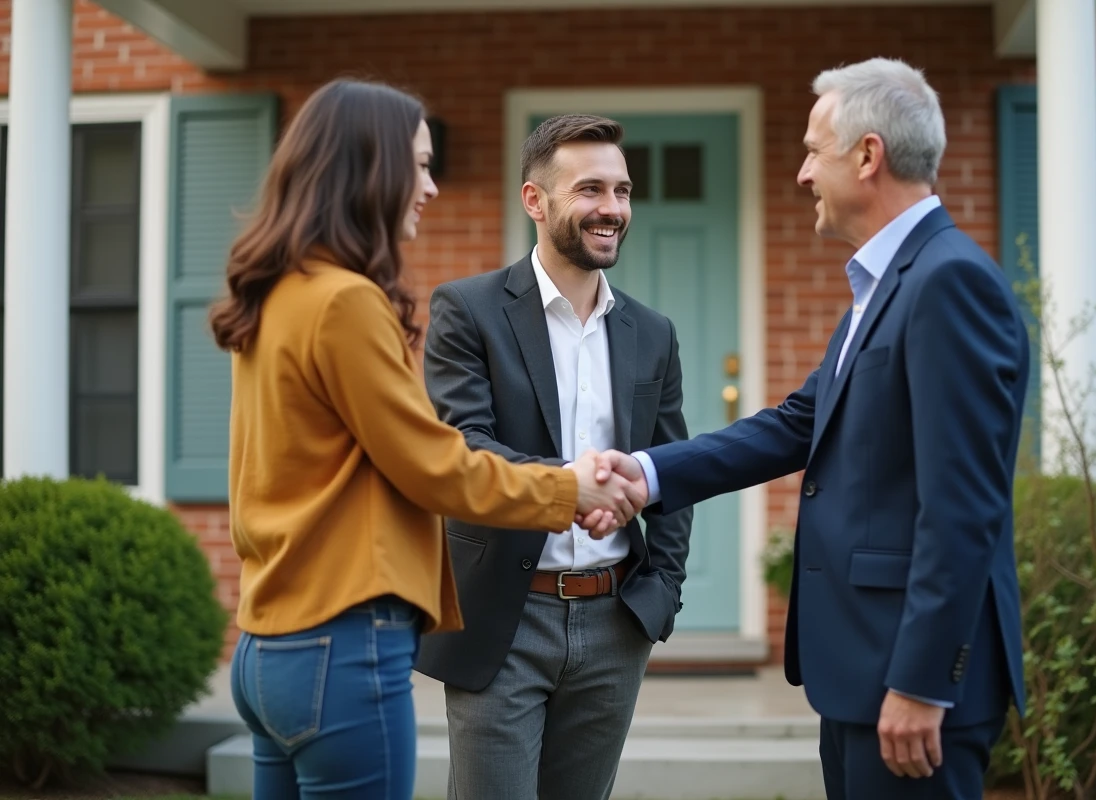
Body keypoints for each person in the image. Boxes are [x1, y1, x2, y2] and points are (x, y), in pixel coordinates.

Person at [595, 58, 1030, 800]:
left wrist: (923, 683)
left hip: (907, 679)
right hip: (861, 672)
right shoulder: (890, 282)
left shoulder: (946, 283)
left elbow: (964, 507)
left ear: (867, 156)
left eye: (811, 151)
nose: (801, 174)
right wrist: (651, 473)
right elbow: (802, 422)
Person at [208, 79, 642, 800]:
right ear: (370, 169)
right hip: (341, 643)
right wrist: (569, 488)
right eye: (419, 164)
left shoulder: (280, 290)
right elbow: (433, 466)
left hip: (269, 646)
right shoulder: (345, 300)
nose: (432, 188)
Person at [415, 113, 694, 800]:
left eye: (623, 192)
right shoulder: (468, 310)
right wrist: (574, 489)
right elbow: (466, 447)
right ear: (535, 202)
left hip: (614, 622)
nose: (613, 210)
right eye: (591, 190)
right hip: (503, 621)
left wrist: (658, 596)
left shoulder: (652, 334)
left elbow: (673, 469)